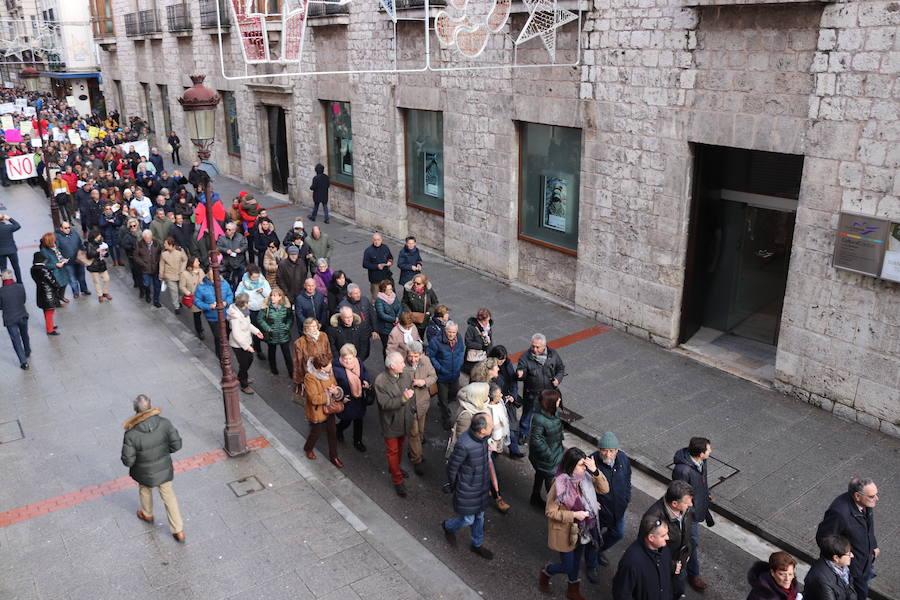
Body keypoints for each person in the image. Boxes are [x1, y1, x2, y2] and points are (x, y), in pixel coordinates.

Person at [539, 447, 610, 600]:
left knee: (576, 562)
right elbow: (550, 512)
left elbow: (604, 489)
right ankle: (547, 571)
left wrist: (595, 470)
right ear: (571, 466)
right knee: (567, 566)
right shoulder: (559, 484)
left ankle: (572, 590)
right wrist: (574, 514)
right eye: (581, 465)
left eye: (585, 465)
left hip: (582, 530)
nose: (584, 469)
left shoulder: (584, 478)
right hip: (565, 532)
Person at [122, 394, 185, 542]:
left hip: (143, 471)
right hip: (164, 468)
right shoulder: (165, 423)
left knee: (145, 489)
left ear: (135, 409)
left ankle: (147, 514)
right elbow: (177, 445)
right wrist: (163, 453)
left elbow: (128, 461)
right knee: (169, 496)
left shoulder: (131, 434)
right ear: (150, 406)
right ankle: (178, 530)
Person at [441, 412, 494, 560]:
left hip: (480, 486)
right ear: (482, 430)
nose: (493, 426)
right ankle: (447, 526)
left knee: (480, 517)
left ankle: (477, 544)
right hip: (467, 489)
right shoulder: (464, 444)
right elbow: (452, 467)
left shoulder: (482, 438)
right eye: (490, 425)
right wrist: (455, 485)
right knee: (468, 519)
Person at [815, 478, 879, 600]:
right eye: (872, 496)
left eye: (876, 494)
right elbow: (824, 539)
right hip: (851, 568)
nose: (876, 499)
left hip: (864, 562)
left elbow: (867, 526)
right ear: (857, 496)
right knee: (859, 594)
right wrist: (843, 558)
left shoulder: (866, 503)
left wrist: (873, 545)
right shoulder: (839, 512)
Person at [671, 436, 712, 593]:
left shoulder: (702, 462)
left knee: (690, 542)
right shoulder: (682, 470)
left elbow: (701, 480)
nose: (710, 451)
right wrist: (691, 509)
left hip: (698, 506)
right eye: (708, 449)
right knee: (691, 542)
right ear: (701, 453)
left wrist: (704, 493)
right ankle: (691, 574)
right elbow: (679, 494)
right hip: (689, 514)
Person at [642, 480, 694, 597]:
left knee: (678, 590)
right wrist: (670, 565)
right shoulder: (652, 519)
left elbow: (686, 532)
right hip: (665, 567)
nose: (691, 504)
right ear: (674, 504)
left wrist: (688, 551)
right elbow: (647, 552)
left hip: (680, 561)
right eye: (687, 502)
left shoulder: (685, 509)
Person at [375, 352, 415, 497]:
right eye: (401, 363)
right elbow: (385, 404)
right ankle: (397, 480)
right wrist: (403, 399)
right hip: (391, 423)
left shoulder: (404, 375)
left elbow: (410, 390)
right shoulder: (380, 381)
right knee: (393, 451)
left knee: (399, 447)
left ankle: (395, 468)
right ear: (392, 367)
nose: (405, 364)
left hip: (404, 420)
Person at [590, 431, 632, 569]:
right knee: (593, 540)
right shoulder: (591, 463)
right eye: (604, 451)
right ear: (599, 450)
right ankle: (592, 565)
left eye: (611, 451)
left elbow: (627, 481)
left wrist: (626, 498)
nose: (608, 454)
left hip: (618, 509)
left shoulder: (623, 459)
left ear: (617, 450)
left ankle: (599, 552)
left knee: (617, 534)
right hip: (599, 511)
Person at [516, 333, 566, 443]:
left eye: (537, 347)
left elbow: (561, 369)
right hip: (532, 394)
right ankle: (523, 434)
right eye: (533, 346)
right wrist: (520, 374)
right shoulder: (525, 358)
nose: (534, 349)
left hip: (548, 394)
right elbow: (522, 371)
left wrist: (557, 379)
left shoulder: (553, 355)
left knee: (548, 415)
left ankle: (545, 435)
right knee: (527, 415)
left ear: (544, 346)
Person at [612, 514, 674, 600]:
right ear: (651, 538)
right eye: (663, 536)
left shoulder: (663, 549)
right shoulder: (632, 562)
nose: (667, 538)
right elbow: (622, 593)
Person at [302, 353, 345, 467]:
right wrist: (329, 393)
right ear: (321, 367)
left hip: (329, 409)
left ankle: (334, 457)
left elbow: (335, 385)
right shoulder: (310, 377)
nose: (331, 365)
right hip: (317, 411)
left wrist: (336, 392)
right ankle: (308, 448)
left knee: (332, 432)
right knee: (315, 433)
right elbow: (314, 399)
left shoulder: (329, 372)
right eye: (328, 365)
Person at [529, 389, 565, 509]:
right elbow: (536, 440)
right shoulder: (539, 419)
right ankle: (553, 508)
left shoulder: (553, 412)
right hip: (548, 458)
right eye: (558, 399)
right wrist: (550, 456)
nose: (560, 401)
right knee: (551, 483)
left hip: (554, 453)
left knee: (540, 474)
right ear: (551, 402)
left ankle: (535, 497)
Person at [405, 341, 437, 476]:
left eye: (416, 356)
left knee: (421, 432)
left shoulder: (426, 361)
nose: (413, 359)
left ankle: (414, 451)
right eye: (411, 356)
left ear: (421, 354)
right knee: (414, 433)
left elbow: (433, 376)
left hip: (422, 403)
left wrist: (423, 382)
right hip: (408, 405)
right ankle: (417, 459)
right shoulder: (401, 364)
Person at [333, 343, 372, 453]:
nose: (348, 361)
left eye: (350, 358)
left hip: (359, 398)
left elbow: (364, 373)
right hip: (348, 399)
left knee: (359, 420)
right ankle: (338, 430)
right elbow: (333, 386)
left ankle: (357, 441)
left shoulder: (358, 362)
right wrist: (340, 398)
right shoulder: (336, 368)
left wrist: (366, 381)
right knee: (347, 420)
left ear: (354, 356)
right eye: (345, 359)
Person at [487, 345, 524, 458]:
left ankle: (514, 451)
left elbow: (513, 381)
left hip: (508, 400)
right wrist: (503, 398)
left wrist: (512, 395)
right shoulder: (489, 369)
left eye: (503, 359)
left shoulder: (507, 364)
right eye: (500, 360)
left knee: (511, 427)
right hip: (497, 402)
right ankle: (495, 453)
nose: (501, 363)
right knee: (499, 429)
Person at [428, 320, 464, 431]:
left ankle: (446, 403)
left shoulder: (459, 338)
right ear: (445, 330)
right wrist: (440, 368)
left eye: (454, 332)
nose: (452, 335)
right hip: (442, 376)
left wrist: (459, 363)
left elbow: (462, 350)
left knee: (454, 392)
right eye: (449, 332)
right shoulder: (436, 341)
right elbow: (431, 356)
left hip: (455, 374)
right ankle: (446, 418)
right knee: (443, 400)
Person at [227, 293, 264, 395]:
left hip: (246, 340)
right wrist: (247, 347)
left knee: (249, 360)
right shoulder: (235, 317)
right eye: (248, 302)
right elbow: (236, 334)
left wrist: (256, 332)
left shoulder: (244, 312)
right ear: (244, 303)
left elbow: (248, 325)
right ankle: (244, 384)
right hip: (238, 345)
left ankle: (242, 376)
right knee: (244, 364)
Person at [194, 269, 234, 358]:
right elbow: (197, 301)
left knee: (226, 334)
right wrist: (209, 306)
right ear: (208, 276)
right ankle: (220, 357)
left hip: (226, 315)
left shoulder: (224, 283)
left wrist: (226, 302)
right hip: (212, 317)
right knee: (218, 337)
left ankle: (224, 349)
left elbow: (230, 295)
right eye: (213, 278)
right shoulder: (201, 286)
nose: (215, 279)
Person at [804, 534, 857, 600]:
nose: (852, 555)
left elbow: (850, 590)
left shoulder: (842, 567)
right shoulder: (822, 581)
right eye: (848, 554)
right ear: (836, 558)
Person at [235, 264, 271, 356]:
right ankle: (258, 348)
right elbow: (238, 296)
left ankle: (266, 340)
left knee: (264, 327)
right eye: (254, 277)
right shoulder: (243, 284)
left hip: (262, 309)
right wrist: (246, 302)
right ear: (249, 275)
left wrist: (263, 291)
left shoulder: (263, 282)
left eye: (257, 277)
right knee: (255, 328)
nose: (256, 279)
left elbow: (270, 295)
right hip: (250, 310)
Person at [257, 287, 293, 376]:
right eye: (272, 295)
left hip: (283, 334)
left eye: (275, 296)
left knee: (287, 354)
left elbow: (290, 318)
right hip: (271, 334)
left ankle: (291, 372)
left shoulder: (286, 307)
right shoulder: (266, 307)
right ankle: (273, 369)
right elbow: (260, 319)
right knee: (271, 352)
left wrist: (287, 326)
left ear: (280, 297)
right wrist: (268, 329)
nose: (272, 297)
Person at [338, 283, 377, 361]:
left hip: (366, 333)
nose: (358, 295)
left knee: (365, 353)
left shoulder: (365, 300)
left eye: (359, 292)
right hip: (353, 336)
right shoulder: (343, 306)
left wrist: (374, 330)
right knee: (355, 355)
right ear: (349, 294)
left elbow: (371, 314)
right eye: (355, 293)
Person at [0, 268, 29, 369]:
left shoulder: (1, 291)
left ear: (2, 278)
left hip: (10, 318)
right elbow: (24, 300)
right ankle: (27, 350)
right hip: (22, 315)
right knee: (24, 334)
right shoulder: (20, 287)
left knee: (16, 340)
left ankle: (23, 362)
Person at [293, 317, 332, 389]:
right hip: (311, 374)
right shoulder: (300, 342)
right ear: (306, 328)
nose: (315, 328)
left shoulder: (323, 336)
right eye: (312, 326)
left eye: (315, 326)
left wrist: (329, 366)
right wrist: (299, 380)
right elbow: (298, 362)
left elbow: (328, 352)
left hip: (325, 371)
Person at [56, 221, 90, 298]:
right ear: (61, 229)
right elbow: (57, 250)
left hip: (78, 259)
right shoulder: (57, 237)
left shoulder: (74, 233)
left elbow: (80, 244)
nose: (68, 229)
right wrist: (62, 259)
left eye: (69, 227)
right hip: (68, 262)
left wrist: (83, 251)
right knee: (72, 278)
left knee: (82, 276)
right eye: (65, 228)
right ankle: (75, 292)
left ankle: (84, 289)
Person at [30, 252, 62, 336]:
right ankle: (50, 329)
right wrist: (57, 286)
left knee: (46, 310)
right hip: (48, 293)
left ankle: (50, 325)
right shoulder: (44, 269)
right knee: (50, 311)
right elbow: (51, 280)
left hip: (40, 292)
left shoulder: (33, 269)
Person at [402, 273, 438, 340]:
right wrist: (408, 311)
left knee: (420, 336)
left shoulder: (429, 291)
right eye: (414, 283)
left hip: (423, 318)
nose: (415, 285)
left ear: (424, 284)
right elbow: (404, 302)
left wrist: (429, 312)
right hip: (411, 318)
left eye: (418, 284)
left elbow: (435, 303)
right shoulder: (408, 290)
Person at [134, 229, 163, 307]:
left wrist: (158, 262)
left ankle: (156, 300)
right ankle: (147, 294)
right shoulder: (139, 244)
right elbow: (136, 256)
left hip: (156, 268)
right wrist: (143, 263)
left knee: (157, 286)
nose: (148, 240)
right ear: (143, 238)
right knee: (146, 284)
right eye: (146, 238)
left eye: (149, 238)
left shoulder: (156, 243)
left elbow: (161, 253)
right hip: (145, 269)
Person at [179, 256, 205, 340]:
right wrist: (188, 293)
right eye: (197, 262)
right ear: (192, 263)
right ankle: (199, 330)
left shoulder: (200, 271)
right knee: (197, 315)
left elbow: (205, 281)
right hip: (193, 297)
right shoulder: (184, 274)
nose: (199, 263)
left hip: (203, 296)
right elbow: (182, 286)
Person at [375, 279, 403, 356]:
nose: (391, 290)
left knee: (397, 345)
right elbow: (381, 314)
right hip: (385, 329)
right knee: (387, 347)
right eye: (389, 289)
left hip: (395, 326)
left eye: (391, 288)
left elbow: (400, 307)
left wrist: (397, 316)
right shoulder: (379, 300)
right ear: (384, 290)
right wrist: (394, 319)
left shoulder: (393, 296)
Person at [39, 231, 69, 302]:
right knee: (57, 287)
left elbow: (59, 255)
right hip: (55, 272)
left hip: (62, 269)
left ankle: (61, 296)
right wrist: (55, 265)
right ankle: (57, 301)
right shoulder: (44, 251)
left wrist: (63, 259)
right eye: (53, 239)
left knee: (64, 284)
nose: (55, 240)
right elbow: (44, 265)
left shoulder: (55, 246)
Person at [159, 236, 187, 312]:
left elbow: (185, 259)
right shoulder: (164, 253)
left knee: (181, 291)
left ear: (170, 244)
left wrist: (182, 269)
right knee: (173, 291)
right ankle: (176, 306)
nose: (164, 245)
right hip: (169, 275)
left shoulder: (180, 251)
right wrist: (161, 274)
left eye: (165, 243)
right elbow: (162, 264)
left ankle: (179, 301)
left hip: (180, 274)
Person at [217, 222, 248, 290]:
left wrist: (241, 249)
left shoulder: (240, 236)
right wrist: (226, 250)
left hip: (240, 261)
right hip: (228, 263)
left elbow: (245, 245)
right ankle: (233, 293)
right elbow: (218, 247)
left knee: (241, 279)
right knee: (231, 281)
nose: (227, 231)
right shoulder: (222, 238)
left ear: (234, 230)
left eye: (229, 229)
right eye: (226, 229)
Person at [362, 232, 393, 299]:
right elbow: (365, 264)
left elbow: (390, 257)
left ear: (381, 240)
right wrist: (377, 266)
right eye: (375, 240)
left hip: (386, 276)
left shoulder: (385, 247)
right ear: (372, 240)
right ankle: (374, 308)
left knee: (387, 295)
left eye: (378, 240)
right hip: (375, 279)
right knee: (376, 297)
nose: (376, 242)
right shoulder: (368, 251)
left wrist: (389, 262)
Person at [85, 228, 112, 302]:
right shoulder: (89, 244)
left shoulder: (102, 243)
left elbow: (106, 255)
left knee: (107, 279)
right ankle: (100, 295)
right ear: (94, 236)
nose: (100, 236)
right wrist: (97, 251)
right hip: (93, 265)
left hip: (101, 264)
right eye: (98, 235)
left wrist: (105, 253)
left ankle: (105, 292)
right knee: (96, 281)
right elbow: (89, 255)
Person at [464, 308, 493, 374]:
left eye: (488, 320)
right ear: (479, 320)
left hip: (485, 356)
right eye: (485, 321)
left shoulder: (488, 327)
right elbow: (468, 342)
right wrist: (482, 346)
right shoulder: (472, 328)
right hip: (475, 359)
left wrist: (490, 352)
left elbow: (490, 340)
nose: (487, 323)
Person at [0, 213, 22, 282]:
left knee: (3, 268)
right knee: (16, 267)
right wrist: (9, 218)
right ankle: (19, 281)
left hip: (1, 252)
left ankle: (5, 282)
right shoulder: (8, 227)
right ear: (4, 219)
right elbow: (18, 226)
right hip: (12, 250)